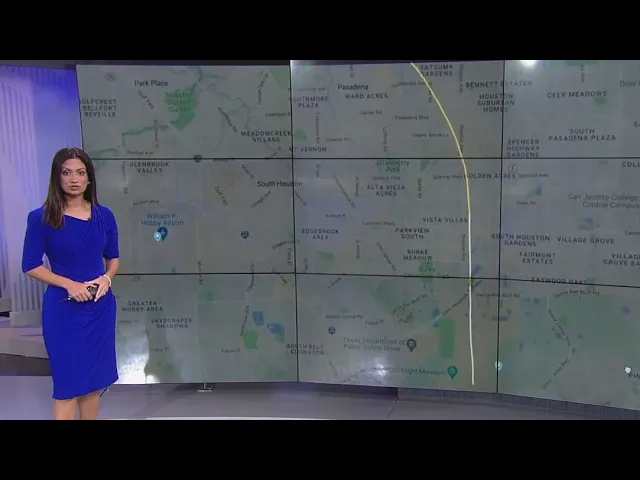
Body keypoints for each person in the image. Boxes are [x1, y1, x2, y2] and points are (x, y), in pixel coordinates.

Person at [21, 147, 120, 420]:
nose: (74, 179)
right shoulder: (41, 217)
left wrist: (106, 278)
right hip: (63, 310)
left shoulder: (105, 216)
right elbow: (30, 265)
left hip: (99, 308)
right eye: (66, 173)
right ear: (57, 177)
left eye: (80, 172)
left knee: (93, 386)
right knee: (67, 389)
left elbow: (113, 258)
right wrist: (70, 285)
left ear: (89, 178)